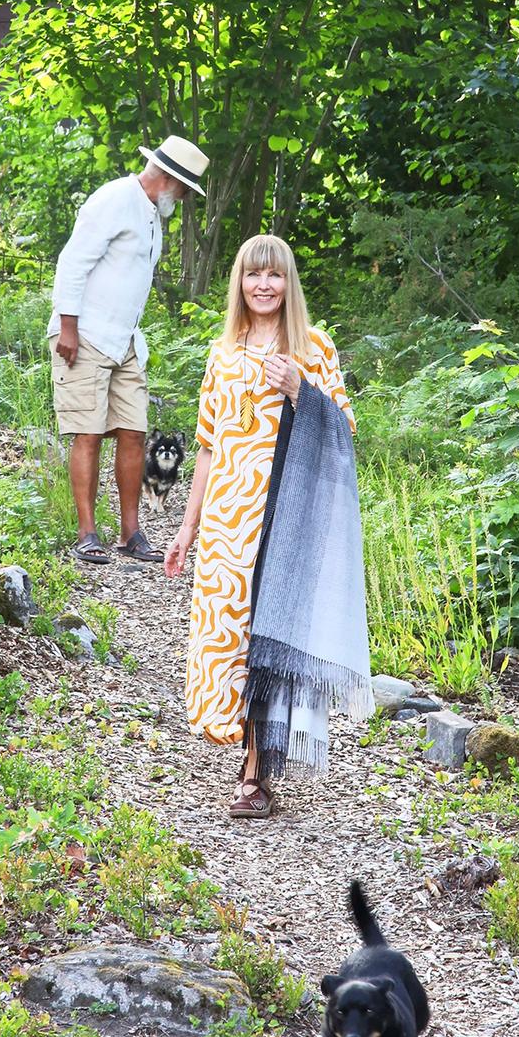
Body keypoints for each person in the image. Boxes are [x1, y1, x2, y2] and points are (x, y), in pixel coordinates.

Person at [164, 234, 359, 818]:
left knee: (267, 641)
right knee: (228, 635)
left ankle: (256, 773)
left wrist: (302, 390)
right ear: (240, 283)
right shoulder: (222, 353)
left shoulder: (314, 347)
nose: (264, 285)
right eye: (253, 275)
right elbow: (206, 447)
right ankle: (240, 745)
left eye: (274, 275)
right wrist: (186, 527)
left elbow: (345, 434)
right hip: (228, 518)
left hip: (285, 517)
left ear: (288, 282)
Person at [49, 136, 208, 564]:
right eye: (186, 189)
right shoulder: (115, 198)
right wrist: (68, 326)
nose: (185, 198)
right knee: (88, 431)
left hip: (126, 340)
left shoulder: (152, 215)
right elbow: (73, 261)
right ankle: (87, 533)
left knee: (134, 431)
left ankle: (131, 533)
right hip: (85, 333)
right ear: (170, 179)